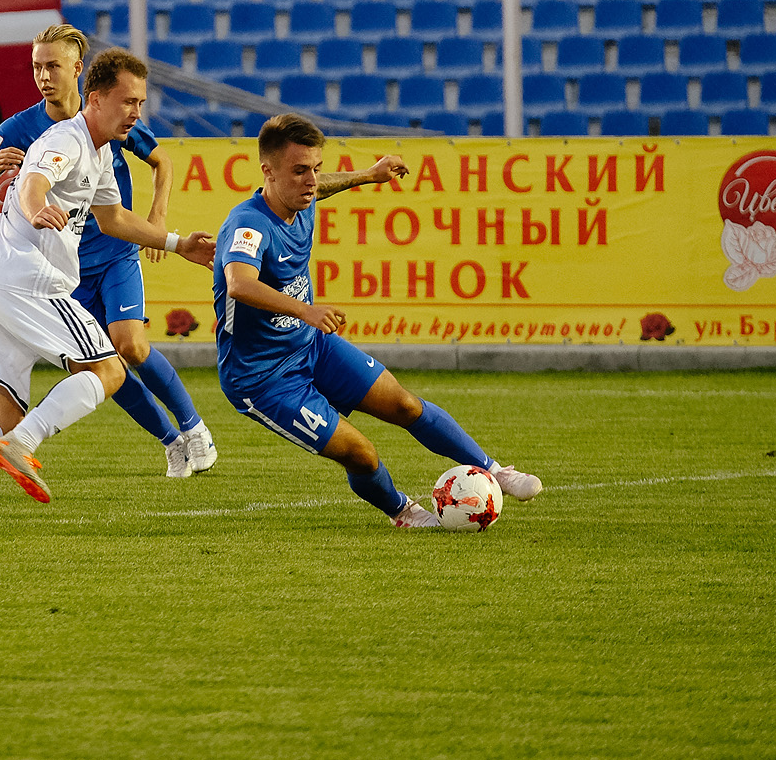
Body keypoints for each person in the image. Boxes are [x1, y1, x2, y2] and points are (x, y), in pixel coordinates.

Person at [0, 49, 216, 529]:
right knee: (109, 370)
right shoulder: (69, 140)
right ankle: (22, 445)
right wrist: (35, 207)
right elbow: (37, 179)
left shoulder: (98, 151)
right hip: (28, 284)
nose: (136, 113)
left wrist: (178, 243)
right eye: (128, 102)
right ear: (94, 99)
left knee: (4, 409)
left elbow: (113, 218)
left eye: (141, 102)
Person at [213, 113, 543, 528]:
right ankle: (403, 511)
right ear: (268, 172)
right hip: (261, 378)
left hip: (310, 347)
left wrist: (369, 175)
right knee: (361, 452)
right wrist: (307, 310)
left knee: (404, 404)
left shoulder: (303, 197)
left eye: (315, 168)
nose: (312, 181)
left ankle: (495, 470)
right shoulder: (249, 224)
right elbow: (240, 284)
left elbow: (324, 185)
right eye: (299, 171)